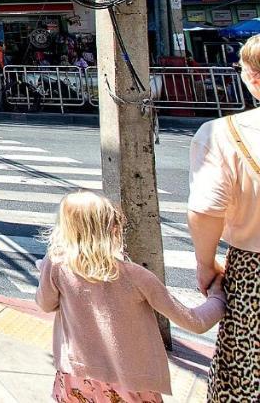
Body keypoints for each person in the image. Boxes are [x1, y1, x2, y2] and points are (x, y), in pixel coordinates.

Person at [37, 191, 224, 402]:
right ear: (114, 229)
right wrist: (219, 295)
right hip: (130, 384)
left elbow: (45, 303)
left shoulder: (56, 266)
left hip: (77, 377)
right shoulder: (136, 276)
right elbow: (195, 322)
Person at [188, 32, 260, 400]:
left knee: (247, 375)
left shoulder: (223, 133)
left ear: (253, 78)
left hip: (253, 270)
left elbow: (205, 210)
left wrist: (205, 264)